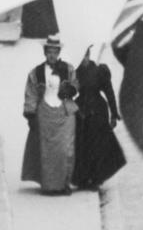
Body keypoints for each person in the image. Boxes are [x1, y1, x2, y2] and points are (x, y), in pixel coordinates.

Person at [20, 38, 78, 194]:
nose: (52, 55)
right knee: (47, 152)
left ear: (59, 52)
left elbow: (76, 83)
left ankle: (65, 183)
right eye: (49, 52)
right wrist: (31, 114)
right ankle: (49, 186)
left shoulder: (68, 69)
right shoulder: (36, 72)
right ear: (45, 53)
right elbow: (31, 93)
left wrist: (71, 90)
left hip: (64, 113)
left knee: (66, 150)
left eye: (55, 52)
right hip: (45, 114)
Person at [71, 44, 127, 191]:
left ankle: (96, 178)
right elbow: (69, 93)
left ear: (89, 55)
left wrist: (114, 114)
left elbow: (109, 92)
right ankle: (83, 178)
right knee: (82, 145)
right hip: (81, 111)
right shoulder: (74, 72)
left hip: (98, 110)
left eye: (86, 56)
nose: (84, 59)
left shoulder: (99, 71)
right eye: (81, 57)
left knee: (97, 145)